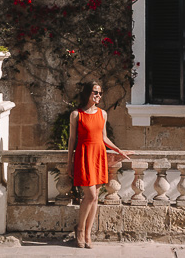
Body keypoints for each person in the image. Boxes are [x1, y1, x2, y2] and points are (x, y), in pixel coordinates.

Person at [67, 81, 131, 248]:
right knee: (90, 196)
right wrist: (69, 163)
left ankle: (88, 233)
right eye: (95, 92)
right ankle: (80, 230)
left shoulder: (102, 114)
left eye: (100, 93)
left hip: (98, 156)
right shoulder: (76, 114)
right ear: (88, 93)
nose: (98, 96)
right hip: (84, 156)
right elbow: (72, 140)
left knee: (95, 198)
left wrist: (119, 151)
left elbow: (104, 138)